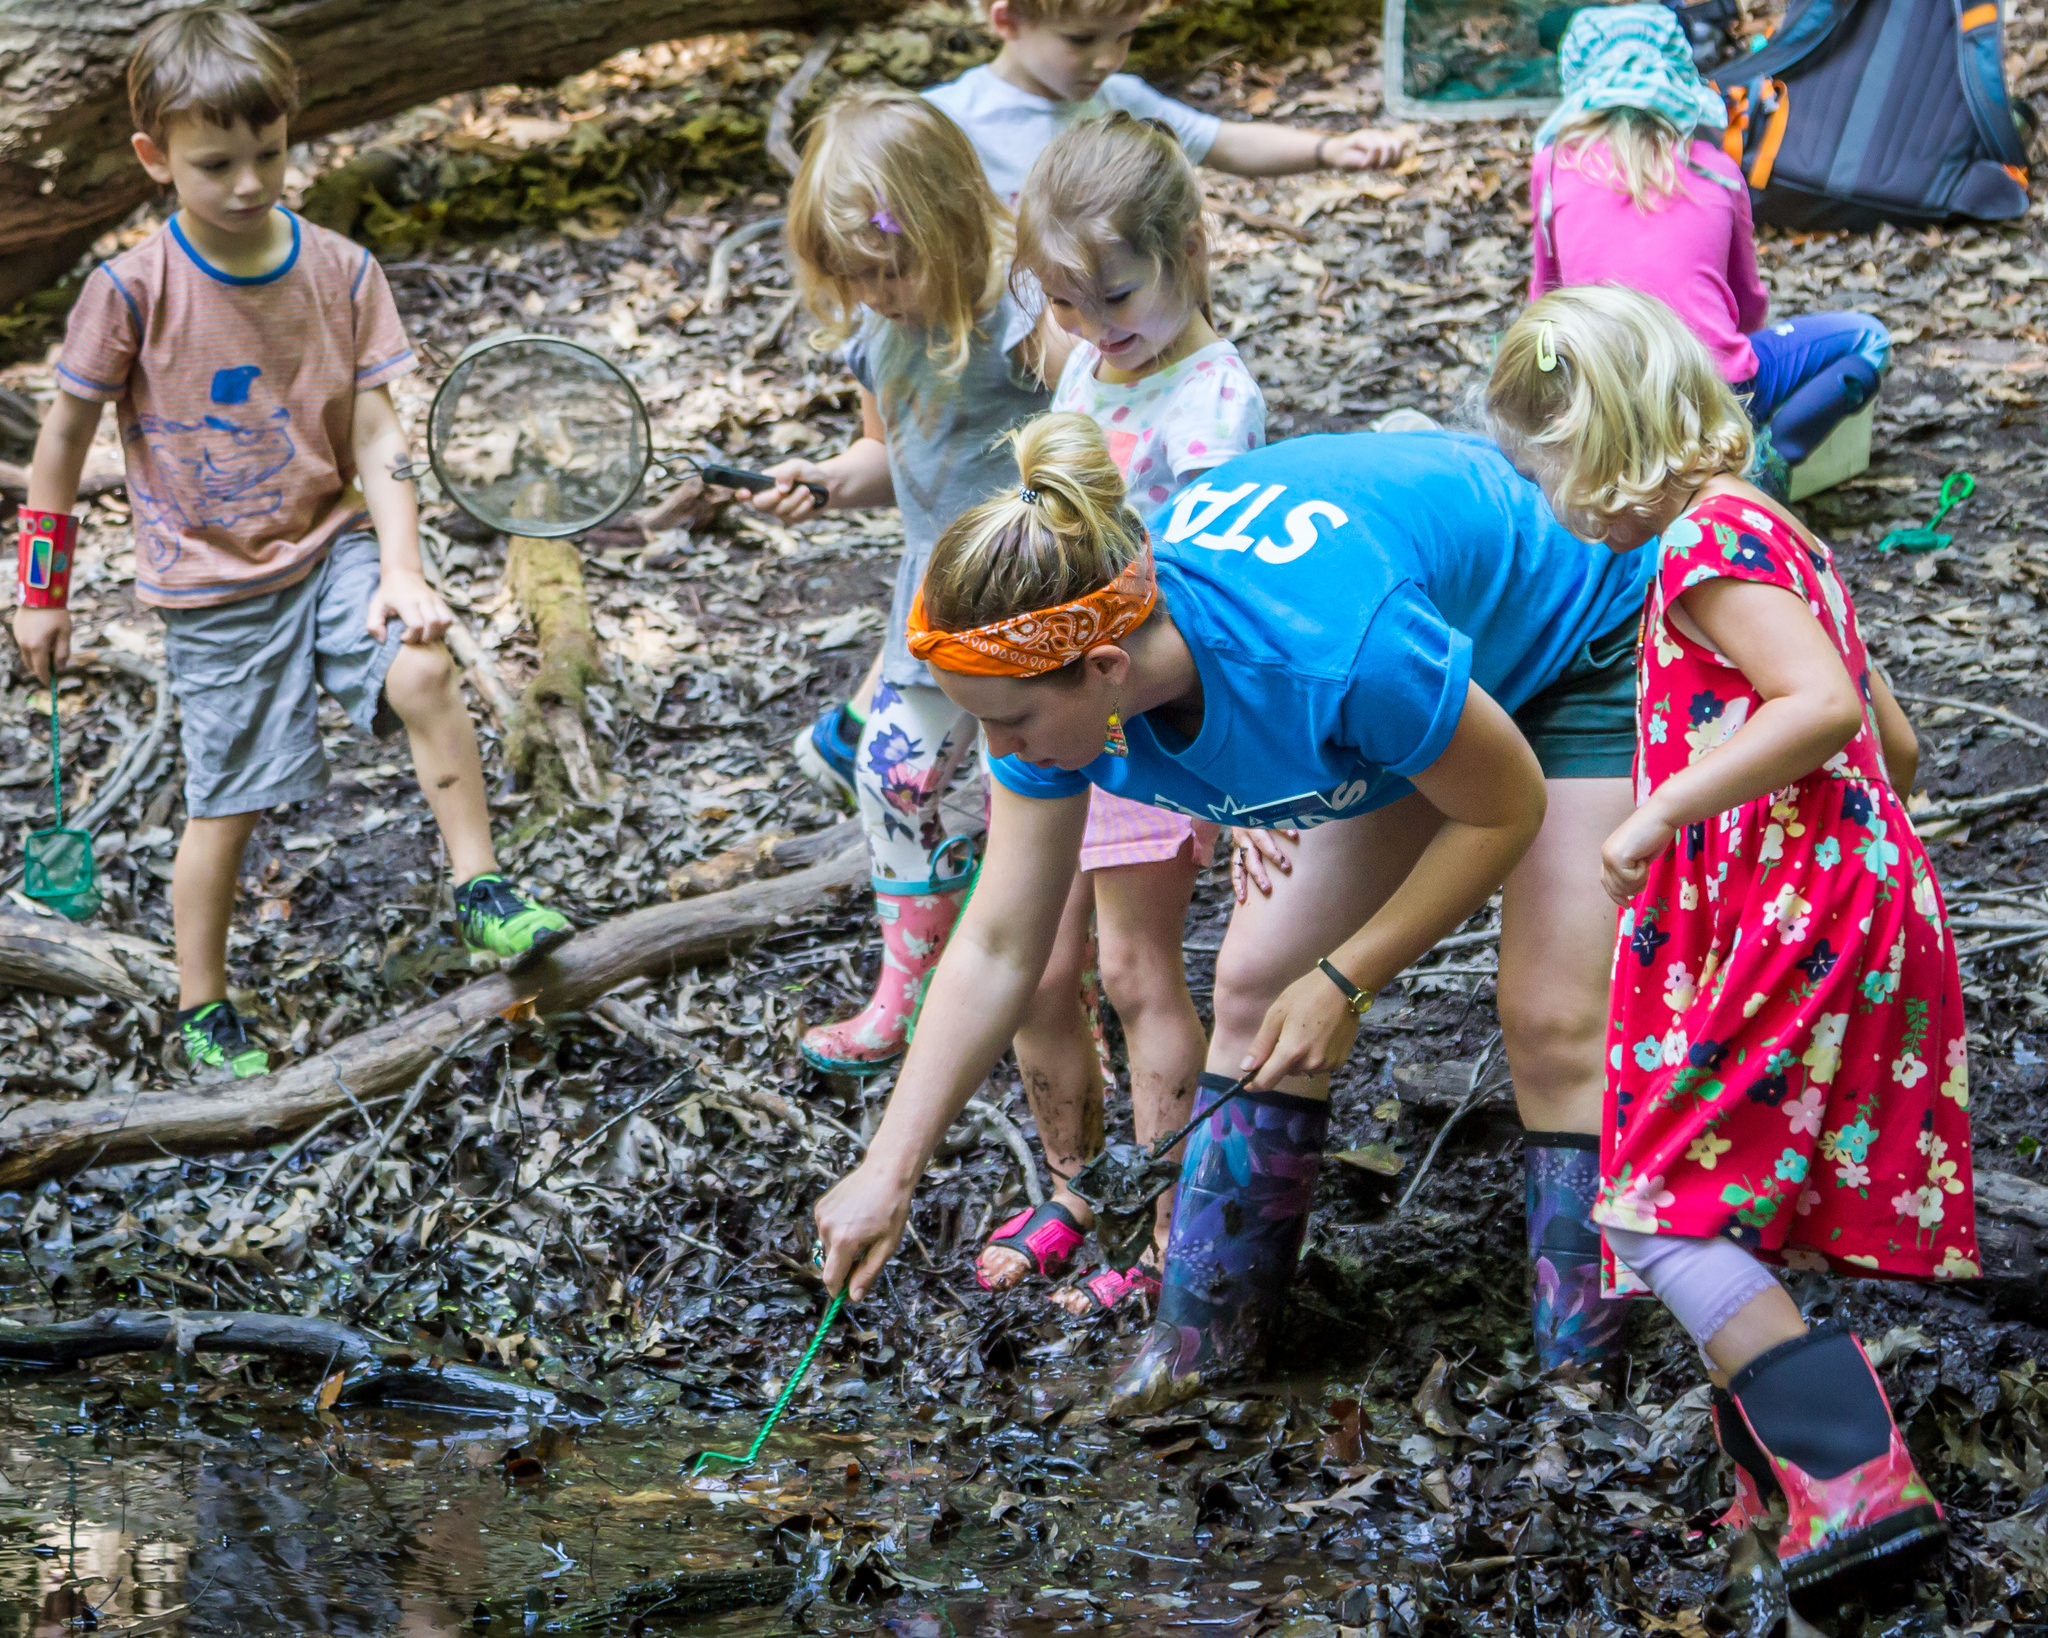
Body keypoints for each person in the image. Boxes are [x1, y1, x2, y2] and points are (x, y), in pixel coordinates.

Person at [812, 411, 1658, 1413]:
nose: (995, 752)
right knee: (1255, 991)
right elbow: (998, 941)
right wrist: (888, 1168)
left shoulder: (1329, 655)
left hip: (1573, 636)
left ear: (1107, 672)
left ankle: (1578, 1378)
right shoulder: (1057, 692)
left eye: (1008, 724)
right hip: (1419, 668)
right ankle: (1201, 1343)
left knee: (1551, 1021)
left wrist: (1350, 978)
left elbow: (1501, 807)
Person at [1486, 285, 1971, 1601]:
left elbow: (1816, 705)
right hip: (1853, 908)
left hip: (1798, 920)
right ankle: (1772, 1497)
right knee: (1699, 1190)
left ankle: (1851, 1473)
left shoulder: (1703, 547)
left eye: (1545, 468)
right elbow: (1895, 744)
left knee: (1646, 1205)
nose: (1544, 501)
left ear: (1602, 445)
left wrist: (1666, 809)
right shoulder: (1775, 533)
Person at [9, 5, 567, 1081]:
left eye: (268, 153)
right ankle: (202, 1003)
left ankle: (482, 892)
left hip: (330, 542)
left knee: (422, 667)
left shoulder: (343, 271)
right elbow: (61, 445)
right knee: (229, 803)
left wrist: (401, 566)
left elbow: (372, 426)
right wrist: (44, 589)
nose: (251, 182)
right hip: (211, 587)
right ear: (153, 159)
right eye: (216, 163)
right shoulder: (128, 289)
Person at [792, 0, 1410, 807]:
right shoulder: (949, 277)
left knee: (1047, 794)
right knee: (934, 783)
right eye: (1085, 38)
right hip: (980, 585)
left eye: (1123, 36)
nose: (1107, 59)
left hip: (1090, 617)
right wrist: (825, 478)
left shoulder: (1084, 336)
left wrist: (1329, 147)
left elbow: (1218, 551)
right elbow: (910, 450)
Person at [974, 113, 1264, 1311]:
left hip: (1139, 722)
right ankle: (1072, 1181)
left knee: (1136, 970)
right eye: (1063, 304)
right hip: (1044, 705)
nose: (1092, 328)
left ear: (1188, 248)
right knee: (1038, 974)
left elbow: (1217, 597)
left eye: (1114, 296)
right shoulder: (1083, 356)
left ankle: (1156, 1224)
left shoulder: (1211, 403)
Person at [741, 90, 1068, 1074]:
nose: (878, 292)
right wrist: (829, 480)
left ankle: (1044, 967)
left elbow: (1097, 425)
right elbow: (887, 452)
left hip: (1032, 588)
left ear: (953, 219)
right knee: (892, 775)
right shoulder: (876, 334)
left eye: (892, 267)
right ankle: (907, 986)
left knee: (1035, 783)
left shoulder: (1023, 310)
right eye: (856, 278)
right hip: (929, 607)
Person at [1527, 5, 1890, 497]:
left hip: (1604, 400)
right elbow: (1747, 303)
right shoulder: (1717, 168)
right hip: (1712, 393)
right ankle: (1769, 461)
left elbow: (1544, 301)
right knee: (1867, 339)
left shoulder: (1551, 167)